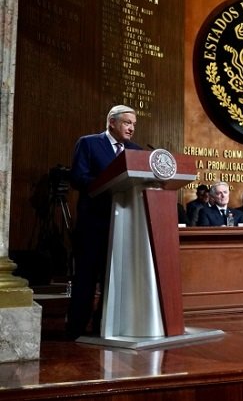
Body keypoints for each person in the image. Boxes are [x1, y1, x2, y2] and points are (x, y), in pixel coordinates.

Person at [67, 105, 141, 339]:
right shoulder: (89, 143)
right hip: (93, 224)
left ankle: (104, 328)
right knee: (86, 278)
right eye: (127, 123)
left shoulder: (136, 151)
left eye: (134, 125)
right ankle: (76, 330)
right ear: (112, 122)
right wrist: (109, 184)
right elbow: (78, 177)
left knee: (113, 280)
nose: (131, 128)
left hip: (123, 225)